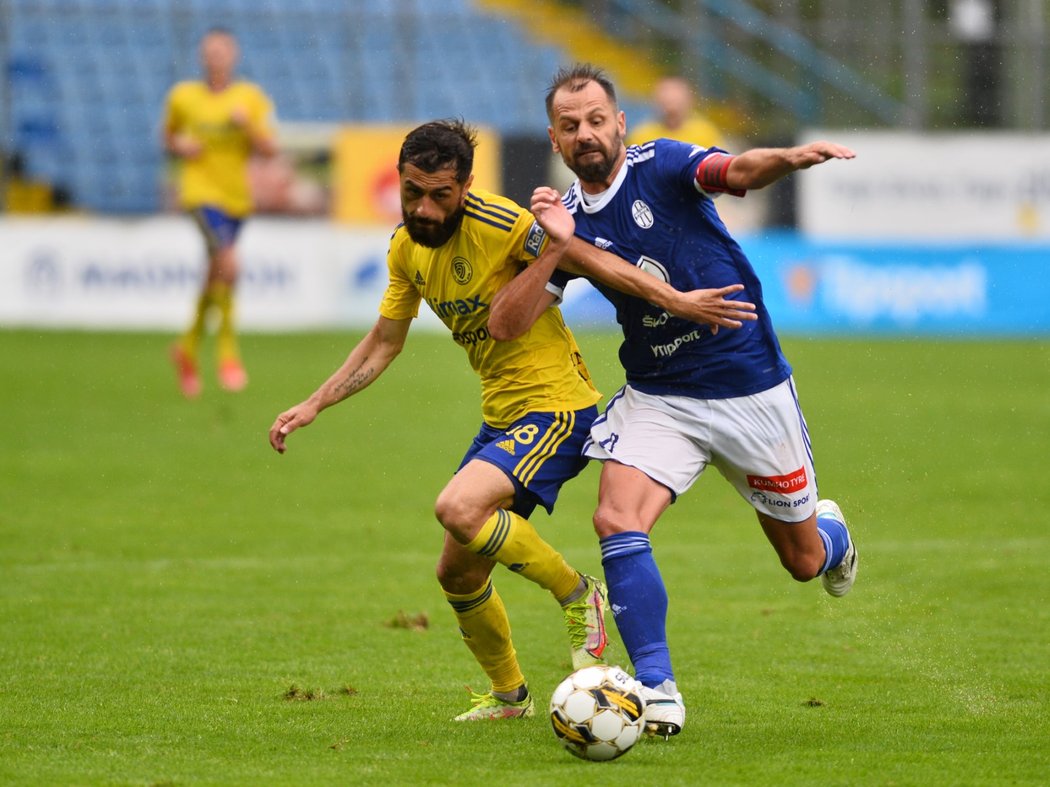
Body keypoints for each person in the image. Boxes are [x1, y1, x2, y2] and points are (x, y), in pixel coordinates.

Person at [531, 64, 858, 738]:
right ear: (555, 139)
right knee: (616, 517)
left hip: (747, 387)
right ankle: (656, 687)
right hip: (659, 395)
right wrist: (543, 251)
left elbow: (735, 172)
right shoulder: (561, 223)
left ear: (620, 123)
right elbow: (524, 311)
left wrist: (789, 159)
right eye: (571, 126)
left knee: (801, 561)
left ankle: (835, 536)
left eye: (597, 119)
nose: (586, 133)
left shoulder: (663, 163)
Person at [162, 27, 277, 397]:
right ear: (201, 56)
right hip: (198, 193)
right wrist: (182, 146)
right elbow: (168, 137)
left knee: (217, 272)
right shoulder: (183, 97)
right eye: (209, 51)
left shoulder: (250, 98)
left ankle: (187, 347)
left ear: (234, 55)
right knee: (229, 261)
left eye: (222, 50)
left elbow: (269, 149)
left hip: (235, 198)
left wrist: (248, 128)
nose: (216, 57)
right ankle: (227, 354)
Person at [626, 75, 724, 148]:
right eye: (666, 101)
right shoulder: (641, 135)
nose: (671, 107)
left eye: (676, 100)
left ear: (689, 101)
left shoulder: (705, 133)